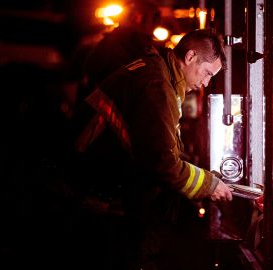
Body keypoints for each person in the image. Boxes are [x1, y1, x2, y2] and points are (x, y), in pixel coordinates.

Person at [70, 29, 233, 270]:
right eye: (208, 73)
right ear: (190, 57)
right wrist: (209, 184)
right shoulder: (157, 87)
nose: (206, 84)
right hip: (98, 193)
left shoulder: (158, 72)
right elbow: (163, 163)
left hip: (97, 187)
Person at [82, 0, 161, 97]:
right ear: (137, 17)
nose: (156, 22)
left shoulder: (147, 45)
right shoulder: (113, 45)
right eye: (154, 17)